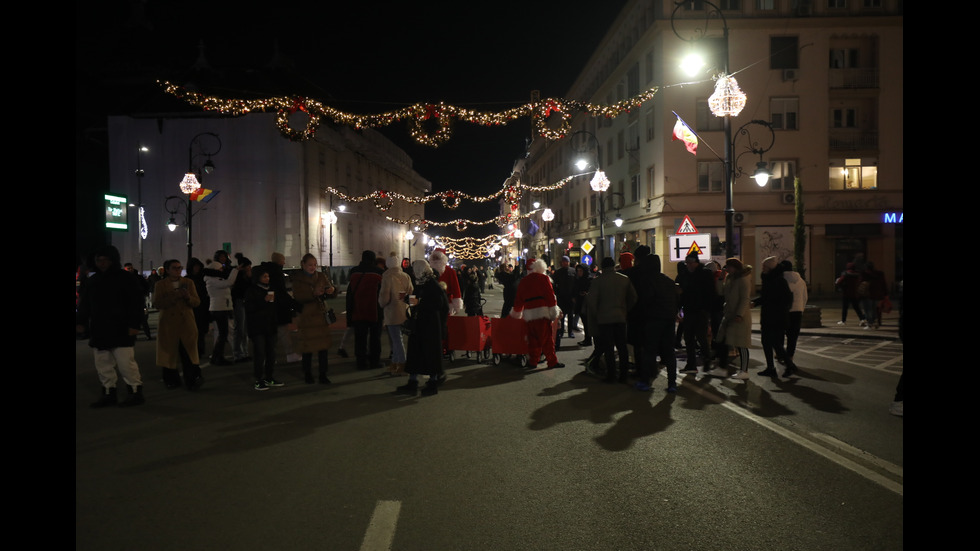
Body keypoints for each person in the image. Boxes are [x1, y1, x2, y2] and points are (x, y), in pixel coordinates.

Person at [76, 245, 146, 407]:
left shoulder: (125, 278)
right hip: (100, 328)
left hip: (121, 327)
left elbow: (136, 303)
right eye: (99, 260)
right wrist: (80, 321)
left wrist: (134, 324)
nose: (102, 263)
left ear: (113, 260)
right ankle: (109, 391)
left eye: (105, 260)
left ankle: (134, 391)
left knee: (125, 363)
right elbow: (85, 304)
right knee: (103, 364)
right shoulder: (93, 281)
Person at [395, 260, 449, 397]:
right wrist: (407, 299)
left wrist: (419, 302)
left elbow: (439, 305)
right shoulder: (422, 283)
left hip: (431, 326)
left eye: (415, 269)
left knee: (430, 354)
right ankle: (412, 381)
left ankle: (432, 382)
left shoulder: (433, 285)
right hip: (420, 325)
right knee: (415, 352)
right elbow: (418, 300)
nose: (413, 272)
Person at [153, 259, 205, 390]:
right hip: (168, 323)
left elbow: (197, 301)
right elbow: (157, 303)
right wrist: (175, 296)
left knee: (189, 352)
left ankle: (192, 379)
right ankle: (171, 379)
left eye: (179, 267)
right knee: (169, 352)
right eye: (174, 268)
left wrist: (188, 297)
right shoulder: (160, 285)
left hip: (186, 322)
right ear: (167, 270)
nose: (177, 270)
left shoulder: (188, 282)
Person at [631, 253, 679, 393]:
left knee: (650, 350)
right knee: (669, 352)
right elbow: (676, 300)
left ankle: (645, 381)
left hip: (653, 319)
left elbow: (645, 301)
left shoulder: (647, 280)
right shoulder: (668, 281)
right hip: (669, 319)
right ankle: (672, 384)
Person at [586, 256, 637, 383]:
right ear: (614, 265)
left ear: (602, 267)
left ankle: (611, 375)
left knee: (608, 348)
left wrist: (597, 314)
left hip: (604, 319)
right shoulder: (624, 280)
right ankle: (623, 375)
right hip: (620, 317)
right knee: (622, 347)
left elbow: (591, 302)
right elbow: (633, 297)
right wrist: (625, 310)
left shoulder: (597, 281)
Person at [510, 258, 564, 369]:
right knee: (547, 339)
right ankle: (552, 361)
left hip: (529, 314)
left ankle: (533, 361)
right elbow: (550, 295)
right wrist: (553, 311)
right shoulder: (544, 278)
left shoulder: (524, 281)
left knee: (533, 339)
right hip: (543, 312)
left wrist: (517, 312)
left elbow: (519, 299)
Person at [292, 254, 338, 384]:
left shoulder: (321, 276)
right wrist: (313, 294)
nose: (312, 267)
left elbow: (330, 288)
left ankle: (323, 374)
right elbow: (298, 296)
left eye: (314, 264)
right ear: (303, 265)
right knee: (307, 348)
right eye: (310, 265)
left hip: (320, 315)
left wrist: (331, 290)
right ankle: (308, 373)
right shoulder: (298, 279)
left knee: (323, 348)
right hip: (307, 317)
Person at [710, 258, 753, 379]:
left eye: (728, 267)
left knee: (741, 344)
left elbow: (745, 299)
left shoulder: (743, 279)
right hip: (729, 314)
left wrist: (739, 314)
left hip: (740, 316)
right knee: (722, 341)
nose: (726, 269)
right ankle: (722, 368)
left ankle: (744, 371)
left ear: (735, 267)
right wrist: (720, 278)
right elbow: (720, 291)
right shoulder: (729, 278)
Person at [753, 257, 796, 378]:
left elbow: (786, 299)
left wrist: (776, 308)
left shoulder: (779, 281)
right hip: (768, 316)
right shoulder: (768, 280)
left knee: (775, 343)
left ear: (770, 268)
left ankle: (789, 365)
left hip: (777, 317)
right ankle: (770, 368)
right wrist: (755, 302)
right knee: (766, 342)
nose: (762, 269)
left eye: (764, 267)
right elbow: (766, 297)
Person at [677, 252, 716, 373]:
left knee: (701, 337)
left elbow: (710, 294)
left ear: (696, 262)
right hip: (689, 310)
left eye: (690, 263)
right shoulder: (685, 275)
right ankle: (691, 364)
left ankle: (707, 358)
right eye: (687, 263)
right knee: (689, 338)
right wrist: (679, 309)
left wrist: (707, 310)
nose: (688, 265)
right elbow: (682, 294)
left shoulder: (705, 274)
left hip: (701, 311)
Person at [346, 250, 385, 370]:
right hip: (374, 310)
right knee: (375, 338)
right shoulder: (379, 273)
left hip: (358, 310)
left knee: (360, 338)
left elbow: (350, 293)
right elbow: (382, 293)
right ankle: (374, 361)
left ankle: (361, 362)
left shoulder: (354, 272)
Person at [245, 265, 281, 390]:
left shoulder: (271, 289)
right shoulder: (252, 290)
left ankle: (269, 377)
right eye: (264, 276)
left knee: (271, 353)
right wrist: (263, 300)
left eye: (268, 276)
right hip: (257, 327)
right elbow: (250, 308)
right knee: (260, 353)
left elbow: (274, 307)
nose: (267, 278)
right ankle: (258, 379)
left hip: (270, 325)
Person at [379, 253, 413, 375]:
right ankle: (395, 363)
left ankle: (402, 364)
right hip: (404, 309)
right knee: (398, 339)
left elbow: (384, 297)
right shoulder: (406, 276)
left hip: (392, 311)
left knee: (396, 340)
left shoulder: (387, 277)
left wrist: (381, 303)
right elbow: (410, 291)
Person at [204, 250, 240, 366]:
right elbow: (228, 283)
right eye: (219, 269)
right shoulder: (214, 280)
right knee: (223, 333)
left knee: (222, 333)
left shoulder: (212, 279)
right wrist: (236, 270)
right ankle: (217, 357)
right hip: (219, 309)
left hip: (220, 307)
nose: (221, 271)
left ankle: (217, 356)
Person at [781, 260, 808, 366]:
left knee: (780, 334)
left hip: (785, 311)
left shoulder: (782, 280)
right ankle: (790, 356)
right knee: (793, 336)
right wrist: (802, 308)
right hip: (797, 310)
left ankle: (780, 353)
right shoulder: (801, 280)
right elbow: (805, 296)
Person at [230, 253, 252, 362]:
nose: (249, 268)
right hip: (239, 302)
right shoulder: (238, 277)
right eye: (248, 266)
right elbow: (238, 291)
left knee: (245, 329)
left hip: (245, 303)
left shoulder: (248, 277)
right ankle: (238, 353)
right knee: (240, 328)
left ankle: (244, 352)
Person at [124, 262, 153, 340]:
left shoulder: (138, 277)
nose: (130, 270)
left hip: (139, 302)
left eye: (131, 268)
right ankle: (132, 336)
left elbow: (146, 286)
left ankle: (148, 335)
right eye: (128, 268)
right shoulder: (123, 279)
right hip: (128, 303)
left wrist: (142, 293)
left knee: (143, 320)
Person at [551, 256, 577, 338]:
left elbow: (576, 284)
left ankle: (570, 331)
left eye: (567, 262)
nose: (565, 263)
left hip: (571, 297)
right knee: (562, 316)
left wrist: (574, 295)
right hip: (562, 297)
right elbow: (553, 284)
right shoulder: (558, 272)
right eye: (564, 262)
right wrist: (557, 293)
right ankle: (561, 331)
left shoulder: (573, 271)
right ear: (561, 262)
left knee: (570, 315)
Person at [859, 261, 887, 329]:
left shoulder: (865, 275)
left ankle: (870, 323)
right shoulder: (879, 274)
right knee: (874, 309)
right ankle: (875, 322)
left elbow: (860, 284)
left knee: (867, 310)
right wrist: (885, 294)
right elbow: (884, 284)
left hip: (867, 294)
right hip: (876, 295)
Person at [835, 262, 865, 326]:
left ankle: (843, 321)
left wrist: (840, 286)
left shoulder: (846, 274)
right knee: (856, 307)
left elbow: (839, 282)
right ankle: (862, 319)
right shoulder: (858, 274)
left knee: (845, 308)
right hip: (855, 293)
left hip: (846, 293)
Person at [573, 264, 592, 347]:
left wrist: (586, 293)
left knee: (588, 323)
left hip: (587, 304)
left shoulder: (589, 280)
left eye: (581, 271)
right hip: (580, 304)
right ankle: (587, 339)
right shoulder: (578, 280)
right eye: (578, 271)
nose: (579, 272)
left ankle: (588, 339)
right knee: (585, 322)